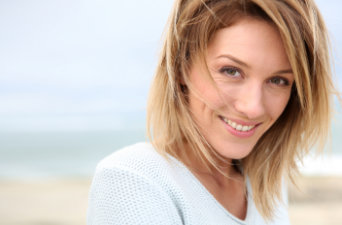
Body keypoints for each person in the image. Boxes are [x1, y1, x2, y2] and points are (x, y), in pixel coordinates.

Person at [87, 0, 337, 224]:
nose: (253, 108)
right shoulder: (133, 179)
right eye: (231, 71)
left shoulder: (266, 183)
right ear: (181, 66)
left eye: (278, 81)